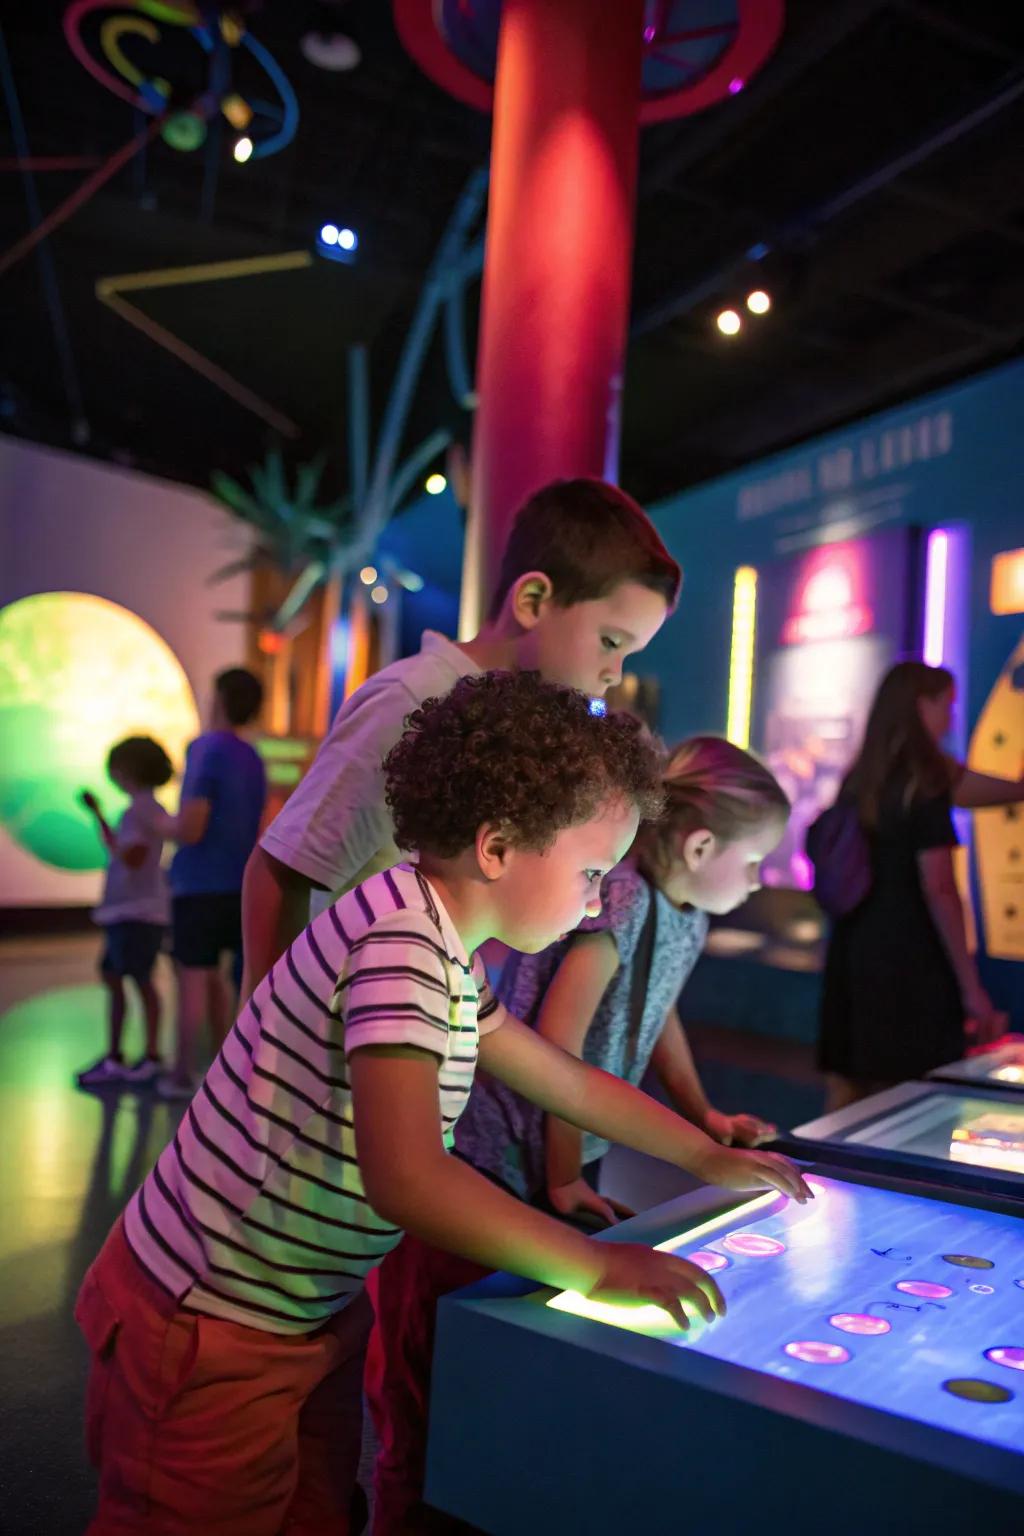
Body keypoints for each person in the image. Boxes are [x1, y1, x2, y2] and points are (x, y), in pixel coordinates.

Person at [75, 671, 810, 1536]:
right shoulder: (401, 948)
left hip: (299, 1305)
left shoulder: (439, 943)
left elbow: (558, 1076)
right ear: (497, 847)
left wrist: (703, 1155)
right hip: (210, 1318)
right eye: (589, 870)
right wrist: (600, 1265)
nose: (596, 897)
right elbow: (410, 1180)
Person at [368, 734, 790, 1532]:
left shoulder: (671, 913)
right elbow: (557, 1046)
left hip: (525, 1167)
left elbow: (613, 1039)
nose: (597, 897)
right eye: (757, 861)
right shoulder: (613, 905)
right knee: (430, 1372)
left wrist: (702, 1135)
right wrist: (573, 1204)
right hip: (488, 1164)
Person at [240, 478, 682, 999]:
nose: (613, 672)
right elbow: (285, 869)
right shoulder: (414, 696)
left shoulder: (502, 717)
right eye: (610, 642)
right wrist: (270, 1030)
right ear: (534, 600)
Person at [818, 660, 1024, 1110]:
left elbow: (995, 790)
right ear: (921, 705)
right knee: (911, 1101)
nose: (950, 718)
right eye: (945, 705)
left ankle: (828, 1178)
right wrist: (974, 991)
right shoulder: (926, 782)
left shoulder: (863, 777)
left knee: (848, 1097)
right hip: (909, 963)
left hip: (853, 956)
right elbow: (941, 890)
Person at [157, 666, 266, 1099]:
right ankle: (222, 1073)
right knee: (220, 979)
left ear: (218, 699)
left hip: (198, 883)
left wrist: (150, 825)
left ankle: (181, 1073)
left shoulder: (205, 749)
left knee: (192, 977)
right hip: (236, 882)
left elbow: (191, 827)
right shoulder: (252, 758)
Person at [76, 736, 174, 1088]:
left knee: (138, 980)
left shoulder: (141, 811)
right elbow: (125, 849)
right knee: (118, 977)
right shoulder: (142, 810)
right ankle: (120, 1054)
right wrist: (100, 815)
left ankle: (148, 1056)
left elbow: (132, 857)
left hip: (137, 913)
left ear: (128, 770)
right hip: (129, 913)